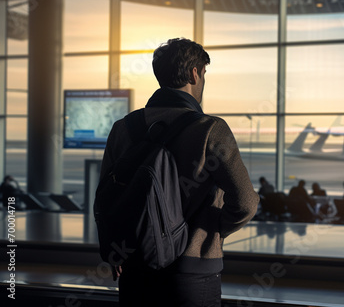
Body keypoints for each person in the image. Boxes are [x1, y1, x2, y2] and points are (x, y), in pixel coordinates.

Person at [100, 38, 259, 307]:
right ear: (194, 73)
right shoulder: (210, 129)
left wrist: (114, 250)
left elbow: (106, 198)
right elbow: (245, 202)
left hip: (134, 269)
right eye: (204, 73)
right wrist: (213, 232)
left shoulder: (123, 128)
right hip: (191, 274)